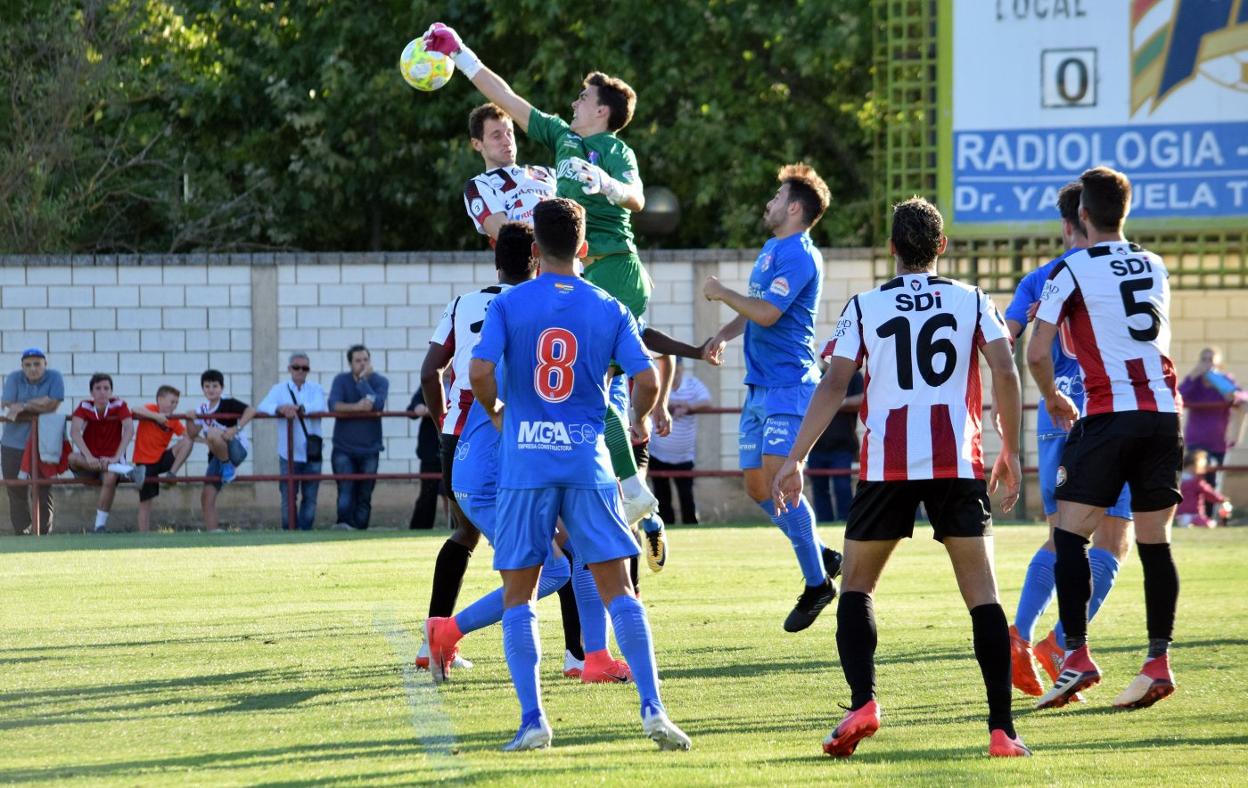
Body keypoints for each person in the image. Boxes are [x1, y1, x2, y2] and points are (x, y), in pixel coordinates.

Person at [773, 196, 1029, 758]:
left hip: (886, 465)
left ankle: (864, 702)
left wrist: (795, 457)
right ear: (941, 246)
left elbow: (834, 384)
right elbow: (1005, 370)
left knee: (857, 588)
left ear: (891, 249)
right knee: (982, 596)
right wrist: (1010, 448)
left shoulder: (865, 305)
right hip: (956, 463)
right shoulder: (974, 300)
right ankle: (1002, 732)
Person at [432, 198, 689, 751]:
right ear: (585, 249)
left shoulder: (509, 305)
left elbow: (477, 370)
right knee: (621, 589)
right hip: (587, 462)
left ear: (533, 250)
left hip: (526, 463)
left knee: (519, 594)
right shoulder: (609, 306)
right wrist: (639, 418)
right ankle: (653, 710)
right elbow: (645, 380)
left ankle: (534, 722)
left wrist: (500, 413)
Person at [426, 22, 664, 552]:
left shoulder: (615, 150)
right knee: (587, 390)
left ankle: (631, 482)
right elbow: (506, 95)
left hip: (613, 269)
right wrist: (461, 54)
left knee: (596, 390)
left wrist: (607, 185)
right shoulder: (561, 137)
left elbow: (638, 199)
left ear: (602, 110)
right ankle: (629, 494)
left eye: (584, 96)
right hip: (573, 275)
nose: (575, 101)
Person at [1027, 166, 1183, 711]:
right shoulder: (1156, 264)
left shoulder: (1071, 269)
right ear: (1126, 212)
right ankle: (1156, 662)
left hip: (1109, 414)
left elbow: (1036, 351)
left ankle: (1076, 656)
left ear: (1083, 216)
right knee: (1154, 541)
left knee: (1068, 534)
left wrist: (1051, 396)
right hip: (1163, 415)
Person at [418, 222, 593, 677]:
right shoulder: (534, 309)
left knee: (466, 534)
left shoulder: (463, 303)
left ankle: (437, 639)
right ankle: (577, 654)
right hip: (504, 439)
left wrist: (442, 424)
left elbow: (429, 371)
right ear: (536, 258)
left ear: (496, 259)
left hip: (461, 431)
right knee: (558, 553)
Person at [1002, 182, 1134, 699]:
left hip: (1053, 412)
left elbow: (1004, 337)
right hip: (1104, 411)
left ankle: (1021, 631)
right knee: (1113, 539)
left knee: (1061, 534)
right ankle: (1060, 645)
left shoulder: (1041, 277)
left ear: (1067, 223)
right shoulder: (1115, 272)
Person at [704, 163, 842, 632]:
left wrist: (722, 293)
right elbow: (757, 308)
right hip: (760, 385)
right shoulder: (771, 248)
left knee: (780, 482)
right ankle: (818, 554)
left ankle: (817, 584)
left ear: (795, 208)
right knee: (757, 488)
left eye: (777, 196)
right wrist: (725, 330)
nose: (770, 203)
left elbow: (765, 313)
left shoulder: (801, 255)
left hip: (791, 385)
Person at [463, 102, 556, 241]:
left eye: (509, 133)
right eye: (497, 136)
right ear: (477, 144)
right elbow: (510, 239)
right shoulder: (478, 186)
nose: (507, 141)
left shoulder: (546, 172)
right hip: (539, 259)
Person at [258, 353, 326, 531]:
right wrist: (279, 408)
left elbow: (320, 405)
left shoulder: (316, 388)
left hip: (312, 454)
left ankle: (305, 533)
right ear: (289, 369)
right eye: (296, 367)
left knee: (310, 497)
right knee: (288, 497)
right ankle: (289, 532)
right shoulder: (279, 389)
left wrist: (299, 408)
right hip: (288, 453)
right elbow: (263, 406)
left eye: (305, 368)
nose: (301, 371)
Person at [1, 348, 64, 534]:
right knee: (15, 489)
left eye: (37, 364)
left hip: (43, 443)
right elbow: (8, 405)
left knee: (43, 489)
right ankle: (23, 532)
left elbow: (53, 404)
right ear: (22, 366)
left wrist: (24, 405)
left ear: (45, 364)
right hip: (13, 443)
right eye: (28, 365)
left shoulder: (54, 376)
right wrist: (40, 403)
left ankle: (44, 533)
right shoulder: (14, 378)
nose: (33, 368)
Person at [67, 374, 139, 534]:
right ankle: (127, 471)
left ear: (111, 391)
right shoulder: (84, 405)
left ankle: (99, 526)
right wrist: (90, 457)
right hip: (88, 463)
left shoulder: (119, 405)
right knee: (72, 457)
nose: (102, 392)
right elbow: (74, 431)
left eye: (106, 388)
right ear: (91, 392)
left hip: (110, 463)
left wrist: (114, 457)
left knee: (110, 476)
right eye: (98, 388)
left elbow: (129, 429)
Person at [328, 345, 389, 531]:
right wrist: (357, 407)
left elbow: (376, 404)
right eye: (358, 361)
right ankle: (344, 527)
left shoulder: (380, 381)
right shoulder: (341, 380)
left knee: (365, 493)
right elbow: (333, 405)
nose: (362, 364)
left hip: (370, 448)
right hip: (343, 448)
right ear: (350, 363)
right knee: (345, 490)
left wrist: (363, 381)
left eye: (365, 360)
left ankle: (360, 531)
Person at [648, 361, 712, 525]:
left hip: (684, 455)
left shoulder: (692, 384)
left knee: (686, 495)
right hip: (658, 453)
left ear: (682, 368)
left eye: (676, 368)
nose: (673, 372)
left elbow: (707, 402)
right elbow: (646, 401)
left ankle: (691, 527)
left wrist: (688, 406)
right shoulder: (658, 383)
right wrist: (668, 407)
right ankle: (664, 528)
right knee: (662, 496)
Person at [1179, 347, 1241, 513]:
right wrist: (1193, 375)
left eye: (1211, 359)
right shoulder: (1195, 382)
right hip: (1196, 440)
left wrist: (1233, 397)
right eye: (1204, 359)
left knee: (1213, 481)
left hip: (1218, 441)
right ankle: (1191, 514)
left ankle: (1210, 517)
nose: (1207, 363)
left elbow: (1241, 397)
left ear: (1218, 363)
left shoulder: (1225, 380)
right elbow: (1179, 396)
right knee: (1193, 480)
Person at [131, 385, 199, 533]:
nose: (174, 405)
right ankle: (144, 535)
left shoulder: (173, 420)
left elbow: (188, 436)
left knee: (188, 442)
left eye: (176, 402)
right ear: (160, 400)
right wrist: (156, 417)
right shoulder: (150, 409)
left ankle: (171, 475)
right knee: (146, 503)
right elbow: (135, 409)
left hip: (161, 459)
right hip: (145, 462)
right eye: (171, 401)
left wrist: (196, 426)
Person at [196, 369, 256, 533]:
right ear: (202, 389)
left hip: (236, 449)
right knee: (206, 495)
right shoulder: (201, 409)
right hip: (217, 454)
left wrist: (235, 428)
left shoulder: (228, 403)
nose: (211, 389)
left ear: (222, 388)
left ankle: (229, 468)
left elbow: (251, 410)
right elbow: (192, 434)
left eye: (215, 386)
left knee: (213, 433)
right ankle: (213, 532)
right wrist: (190, 417)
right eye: (207, 386)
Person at [806, 368, 863, 523]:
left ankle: (847, 521)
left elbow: (862, 399)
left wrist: (836, 403)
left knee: (842, 486)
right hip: (814, 444)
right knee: (819, 488)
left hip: (843, 444)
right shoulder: (813, 374)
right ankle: (824, 522)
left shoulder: (854, 376)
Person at [405, 387, 442, 530]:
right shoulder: (430, 383)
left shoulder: (461, 383)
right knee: (428, 492)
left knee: (457, 493)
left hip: (456, 447)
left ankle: (460, 528)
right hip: (431, 449)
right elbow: (413, 409)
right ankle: (419, 529)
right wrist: (418, 406)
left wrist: (431, 411)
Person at [1176, 450, 1232, 528]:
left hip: (1179, 515)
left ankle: (1187, 524)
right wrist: (1222, 499)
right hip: (1195, 515)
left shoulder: (1177, 481)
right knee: (1211, 524)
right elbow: (1210, 494)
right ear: (1195, 466)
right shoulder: (1197, 482)